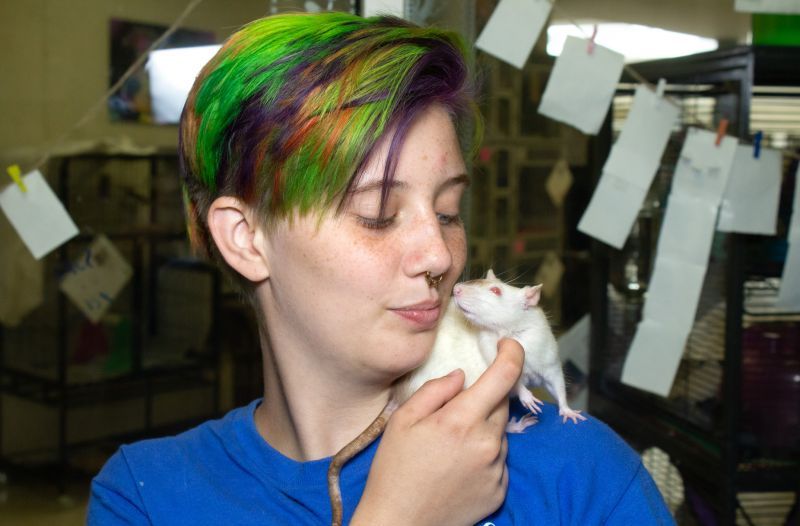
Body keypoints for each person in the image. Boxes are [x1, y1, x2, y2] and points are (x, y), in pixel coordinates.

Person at [88, 11, 674, 525]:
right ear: (246, 240)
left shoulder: (579, 473)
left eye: (448, 212)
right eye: (378, 213)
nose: (441, 256)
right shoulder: (149, 497)